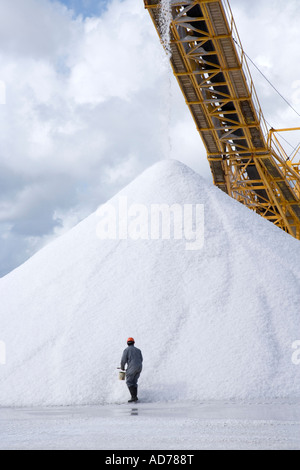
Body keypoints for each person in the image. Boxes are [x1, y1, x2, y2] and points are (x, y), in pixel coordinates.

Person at [120, 337, 143, 403]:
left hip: (132, 368)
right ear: (134, 343)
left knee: (129, 382)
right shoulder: (138, 350)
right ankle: (135, 397)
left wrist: (122, 367)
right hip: (139, 367)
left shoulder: (126, 350)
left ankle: (133, 397)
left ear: (127, 343)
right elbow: (141, 359)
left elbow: (123, 360)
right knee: (134, 382)